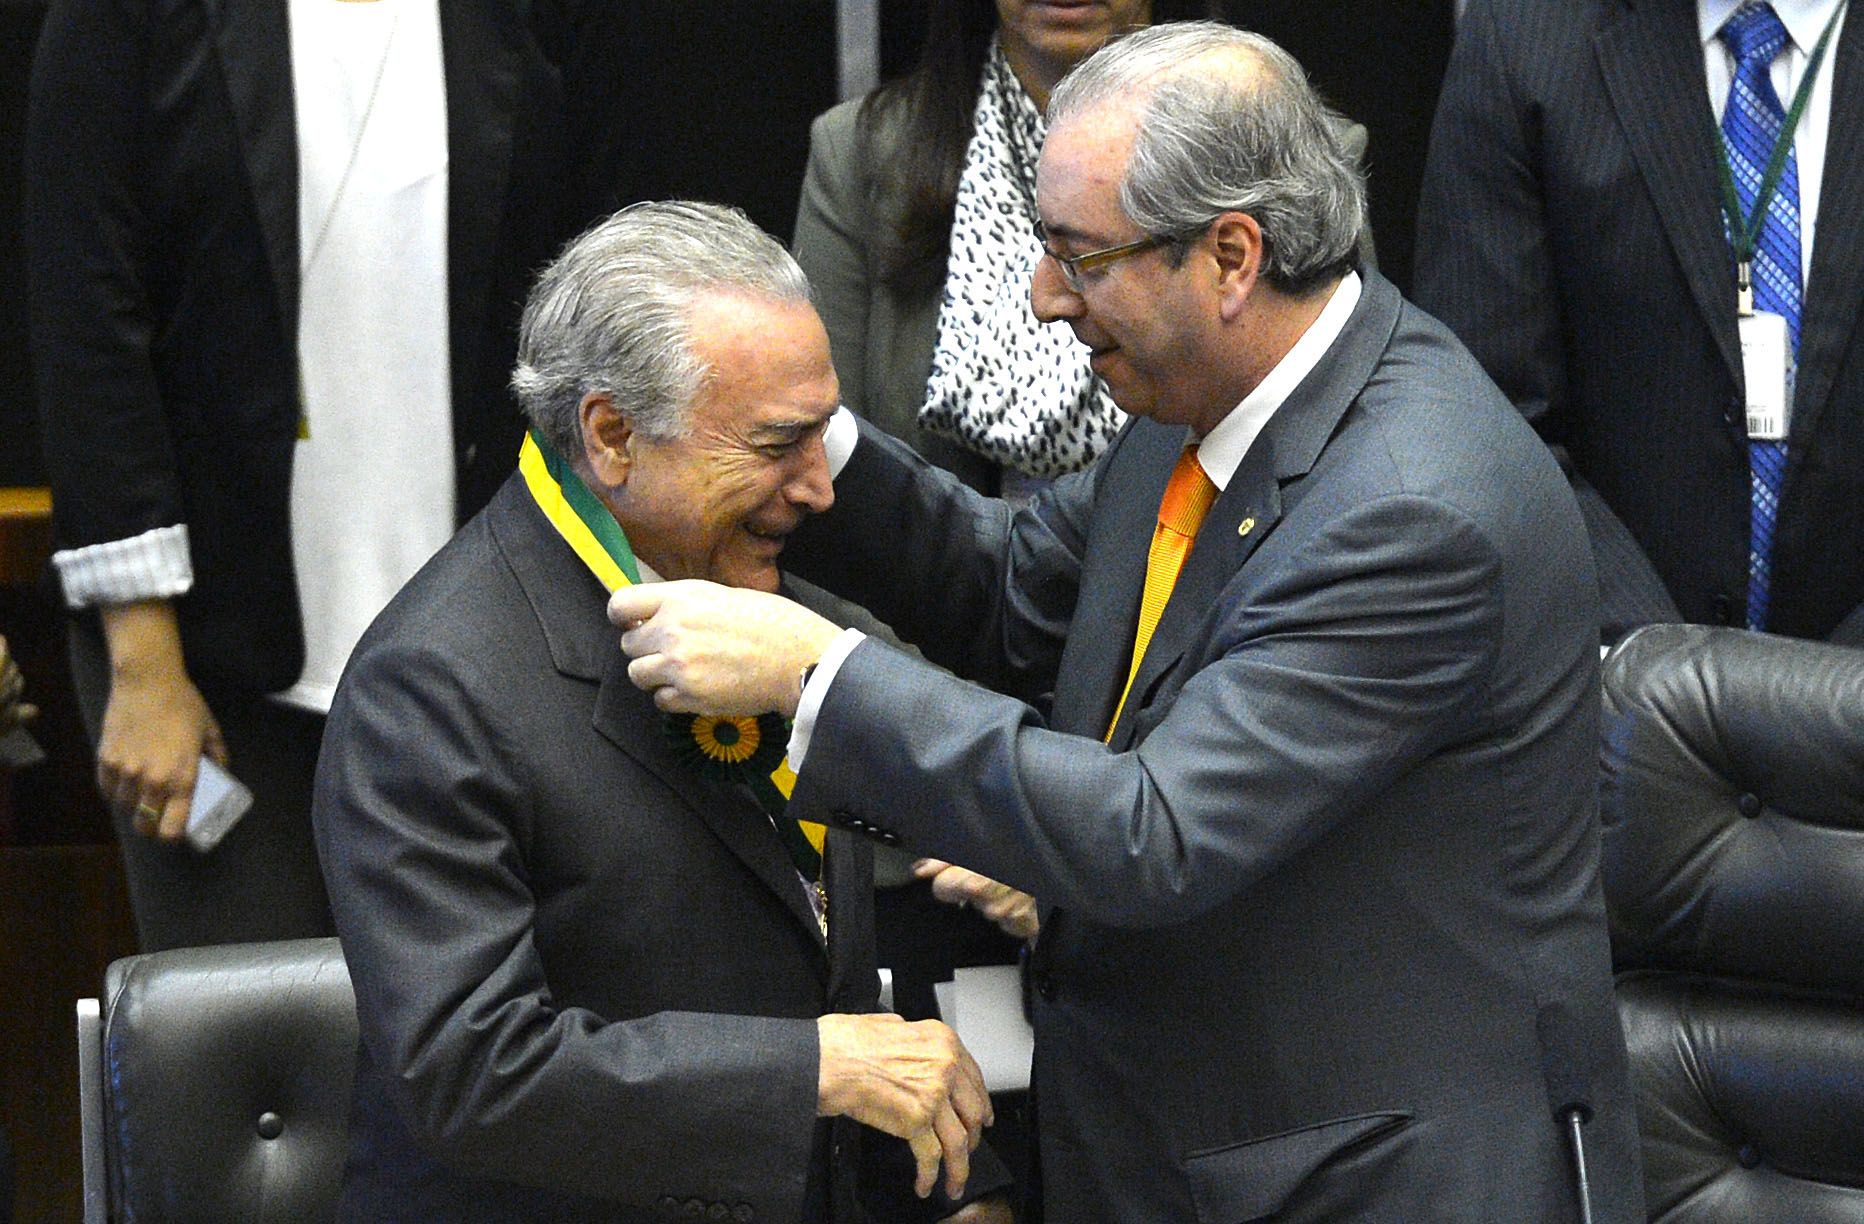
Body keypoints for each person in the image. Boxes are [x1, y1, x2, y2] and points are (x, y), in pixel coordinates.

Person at [611, 23, 1644, 1222]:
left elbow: (1156, 831)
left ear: (1231, 257)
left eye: (1080, 258)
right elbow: (1012, 587)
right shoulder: (1213, 403)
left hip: (1367, 1178)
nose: (1044, 299)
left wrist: (819, 676)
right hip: (1188, 1142)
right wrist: (795, 430)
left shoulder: (1413, 509)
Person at [312, 202, 1010, 1223]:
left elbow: (814, 961)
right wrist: (814, 1071)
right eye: (777, 444)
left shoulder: (779, 607)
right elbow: (471, 1072)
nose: (821, 490)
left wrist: (956, 1189)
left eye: (823, 435)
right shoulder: (430, 686)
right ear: (612, 436)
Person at [24, 0, 579, 950]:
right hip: (209, 658)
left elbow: (576, 291)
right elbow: (86, 316)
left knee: (471, 1015)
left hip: (472, 650)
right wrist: (144, 661)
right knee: (256, 1021)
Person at [1414, 0, 1864, 645]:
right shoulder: (1524, 34)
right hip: (1608, 659)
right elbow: (1486, 413)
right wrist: (1661, 669)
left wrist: (1833, 689)